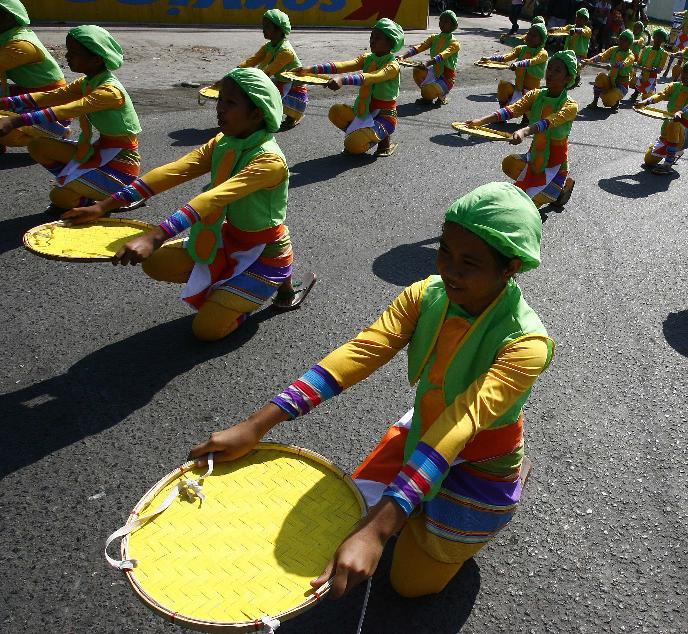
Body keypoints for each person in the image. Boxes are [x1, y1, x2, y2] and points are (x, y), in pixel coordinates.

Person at [189, 181, 554, 600]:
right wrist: (256, 425)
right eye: (445, 251)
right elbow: (359, 354)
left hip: (480, 458)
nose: (450, 270)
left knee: (410, 585)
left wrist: (379, 529)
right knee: (344, 528)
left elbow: (463, 423)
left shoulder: (526, 344)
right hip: (424, 436)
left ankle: (507, 488)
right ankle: (409, 503)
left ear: (510, 268)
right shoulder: (426, 294)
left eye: (469, 262)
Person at [62, 68, 311, 340]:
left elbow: (211, 199)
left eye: (230, 103)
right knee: (156, 264)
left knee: (206, 330)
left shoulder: (269, 161)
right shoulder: (223, 142)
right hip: (226, 237)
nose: (220, 109)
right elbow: (173, 171)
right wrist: (103, 206)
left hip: (264, 253)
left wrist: (156, 236)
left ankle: (260, 291)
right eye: (220, 100)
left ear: (256, 113)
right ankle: (235, 292)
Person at [0, 25, 140, 214]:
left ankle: (123, 195)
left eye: (73, 53)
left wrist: (15, 121)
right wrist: (4, 103)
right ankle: (84, 185)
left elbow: (65, 110)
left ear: (96, 59)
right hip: (98, 151)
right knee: (38, 146)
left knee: (61, 198)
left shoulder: (109, 92)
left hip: (121, 164)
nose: (66, 56)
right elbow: (48, 97)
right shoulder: (87, 82)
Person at [465, 51, 578, 207]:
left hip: (555, 164)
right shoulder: (536, 95)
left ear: (568, 78)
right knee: (509, 164)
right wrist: (481, 121)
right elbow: (512, 110)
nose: (550, 73)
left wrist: (524, 131)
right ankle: (554, 192)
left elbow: (549, 122)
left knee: (525, 207)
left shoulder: (570, 106)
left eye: (557, 71)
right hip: (535, 155)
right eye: (549, 68)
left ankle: (561, 188)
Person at [301, 18, 404, 157]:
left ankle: (378, 140)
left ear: (391, 42)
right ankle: (364, 135)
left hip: (385, 117)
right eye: (372, 36)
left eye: (377, 38)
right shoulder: (368, 58)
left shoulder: (393, 66)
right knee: (335, 112)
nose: (372, 40)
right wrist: (311, 69)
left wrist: (343, 80)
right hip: (364, 110)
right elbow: (342, 65)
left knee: (352, 144)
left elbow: (372, 77)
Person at [0, 0, 69, 153]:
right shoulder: (9, 37)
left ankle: (51, 135)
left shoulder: (20, 44)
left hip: (49, 108)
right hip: (31, 97)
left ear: (8, 17)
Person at [228, 9, 307, 132]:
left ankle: (291, 117)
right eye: (263, 26)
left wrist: (249, 79)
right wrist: (236, 71)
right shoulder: (269, 46)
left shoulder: (286, 51)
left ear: (279, 30)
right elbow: (253, 60)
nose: (263, 30)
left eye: (267, 27)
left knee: (272, 99)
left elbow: (268, 72)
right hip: (281, 79)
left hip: (292, 84)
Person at [637, 56, 688, 175]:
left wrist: (681, 112)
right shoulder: (674, 86)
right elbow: (661, 95)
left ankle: (667, 164)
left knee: (675, 125)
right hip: (667, 131)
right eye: (685, 71)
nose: (687, 76)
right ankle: (672, 151)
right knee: (648, 161)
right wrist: (645, 102)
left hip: (686, 134)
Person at [401, 10, 460, 107]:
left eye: (446, 21)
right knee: (417, 69)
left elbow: (442, 55)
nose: (442, 23)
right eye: (441, 20)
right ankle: (429, 93)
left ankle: (440, 95)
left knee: (427, 92)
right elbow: (420, 47)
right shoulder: (434, 38)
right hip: (435, 71)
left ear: (453, 25)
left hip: (446, 78)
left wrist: (427, 63)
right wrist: (403, 56)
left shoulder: (454, 43)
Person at [483, 22, 549, 107]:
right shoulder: (521, 49)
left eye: (534, 36)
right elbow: (505, 57)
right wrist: (489, 59)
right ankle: (502, 114)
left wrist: (517, 64)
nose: (529, 37)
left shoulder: (543, 53)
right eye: (529, 34)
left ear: (542, 39)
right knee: (503, 85)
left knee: (529, 113)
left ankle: (527, 118)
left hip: (532, 92)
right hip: (518, 89)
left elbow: (531, 61)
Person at [585, 28, 634, 111]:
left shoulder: (631, 55)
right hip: (611, 80)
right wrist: (590, 60)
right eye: (621, 39)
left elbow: (627, 61)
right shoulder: (614, 49)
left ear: (629, 44)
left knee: (607, 101)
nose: (621, 41)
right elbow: (602, 55)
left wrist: (620, 64)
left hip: (621, 85)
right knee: (600, 76)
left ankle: (616, 100)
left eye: (625, 40)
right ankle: (594, 102)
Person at [630, 27, 667, 101]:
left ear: (663, 40)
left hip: (652, 75)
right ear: (653, 37)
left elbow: (660, 68)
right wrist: (634, 64)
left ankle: (650, 92)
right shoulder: (646, 49)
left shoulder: (664, 54)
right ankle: (637, 92)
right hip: (643, 72)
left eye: (661, 37)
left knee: (646, 96)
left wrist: (657, 69)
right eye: (657, 36)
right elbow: (639, 62)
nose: (658, 39)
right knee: (634, 81)